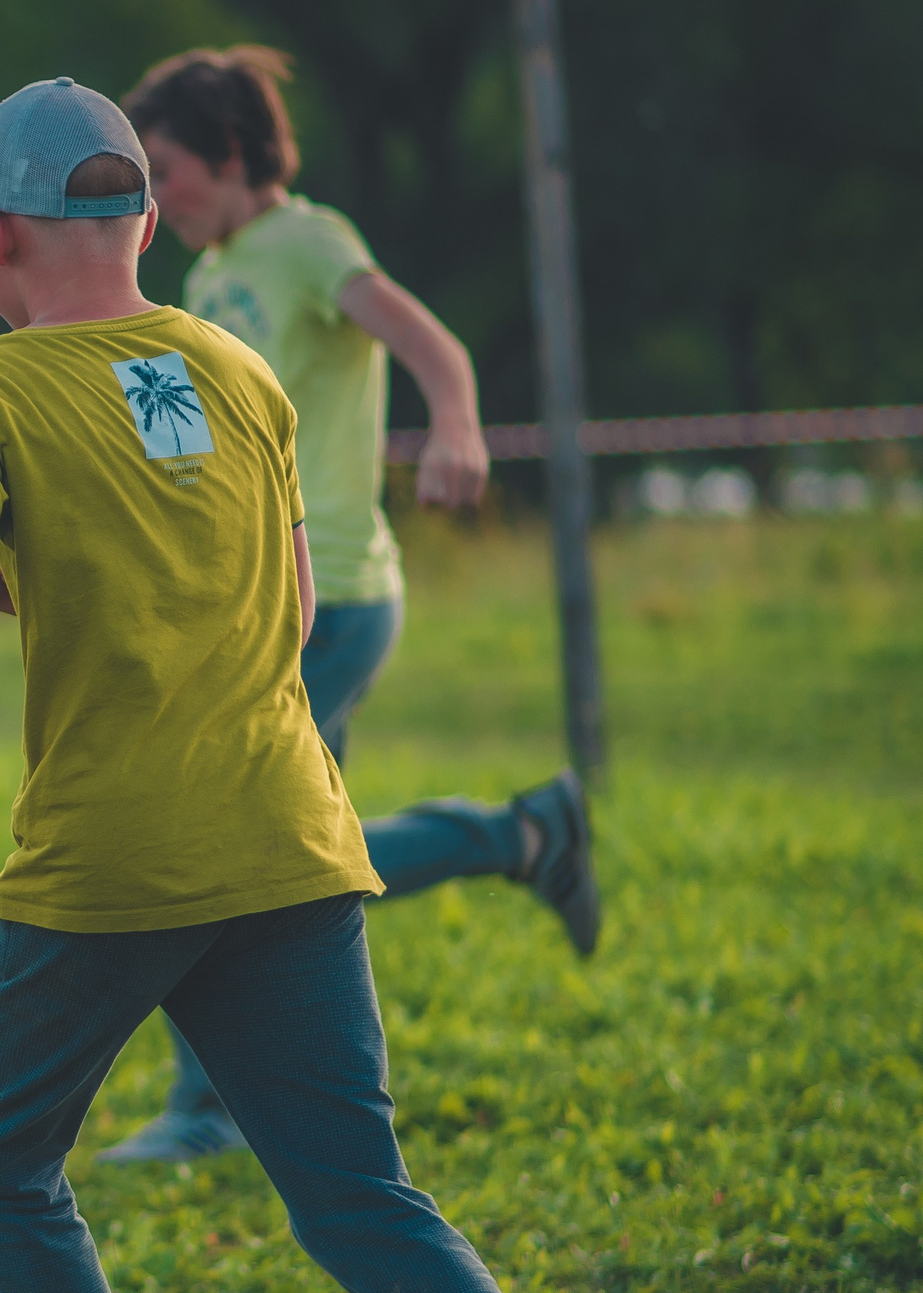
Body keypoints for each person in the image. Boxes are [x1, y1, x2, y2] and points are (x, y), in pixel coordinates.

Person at [0, 77, 652, 1293]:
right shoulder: (241, 366)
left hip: (114, 856)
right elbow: (282, 607)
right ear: (149, 217)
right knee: (366, 1197)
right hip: (290, 832)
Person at [99, 46, 598, 1165]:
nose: (153, 198)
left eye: (165, 171)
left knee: (225, 844)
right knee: (272, 851)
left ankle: (211, 1111)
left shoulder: (308, 242)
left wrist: (457, 425)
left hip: (331, 594)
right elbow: (179, 455)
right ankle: (524, 834)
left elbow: (429, 341)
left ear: (229, 156)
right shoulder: (196, 286)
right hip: (244, 601)